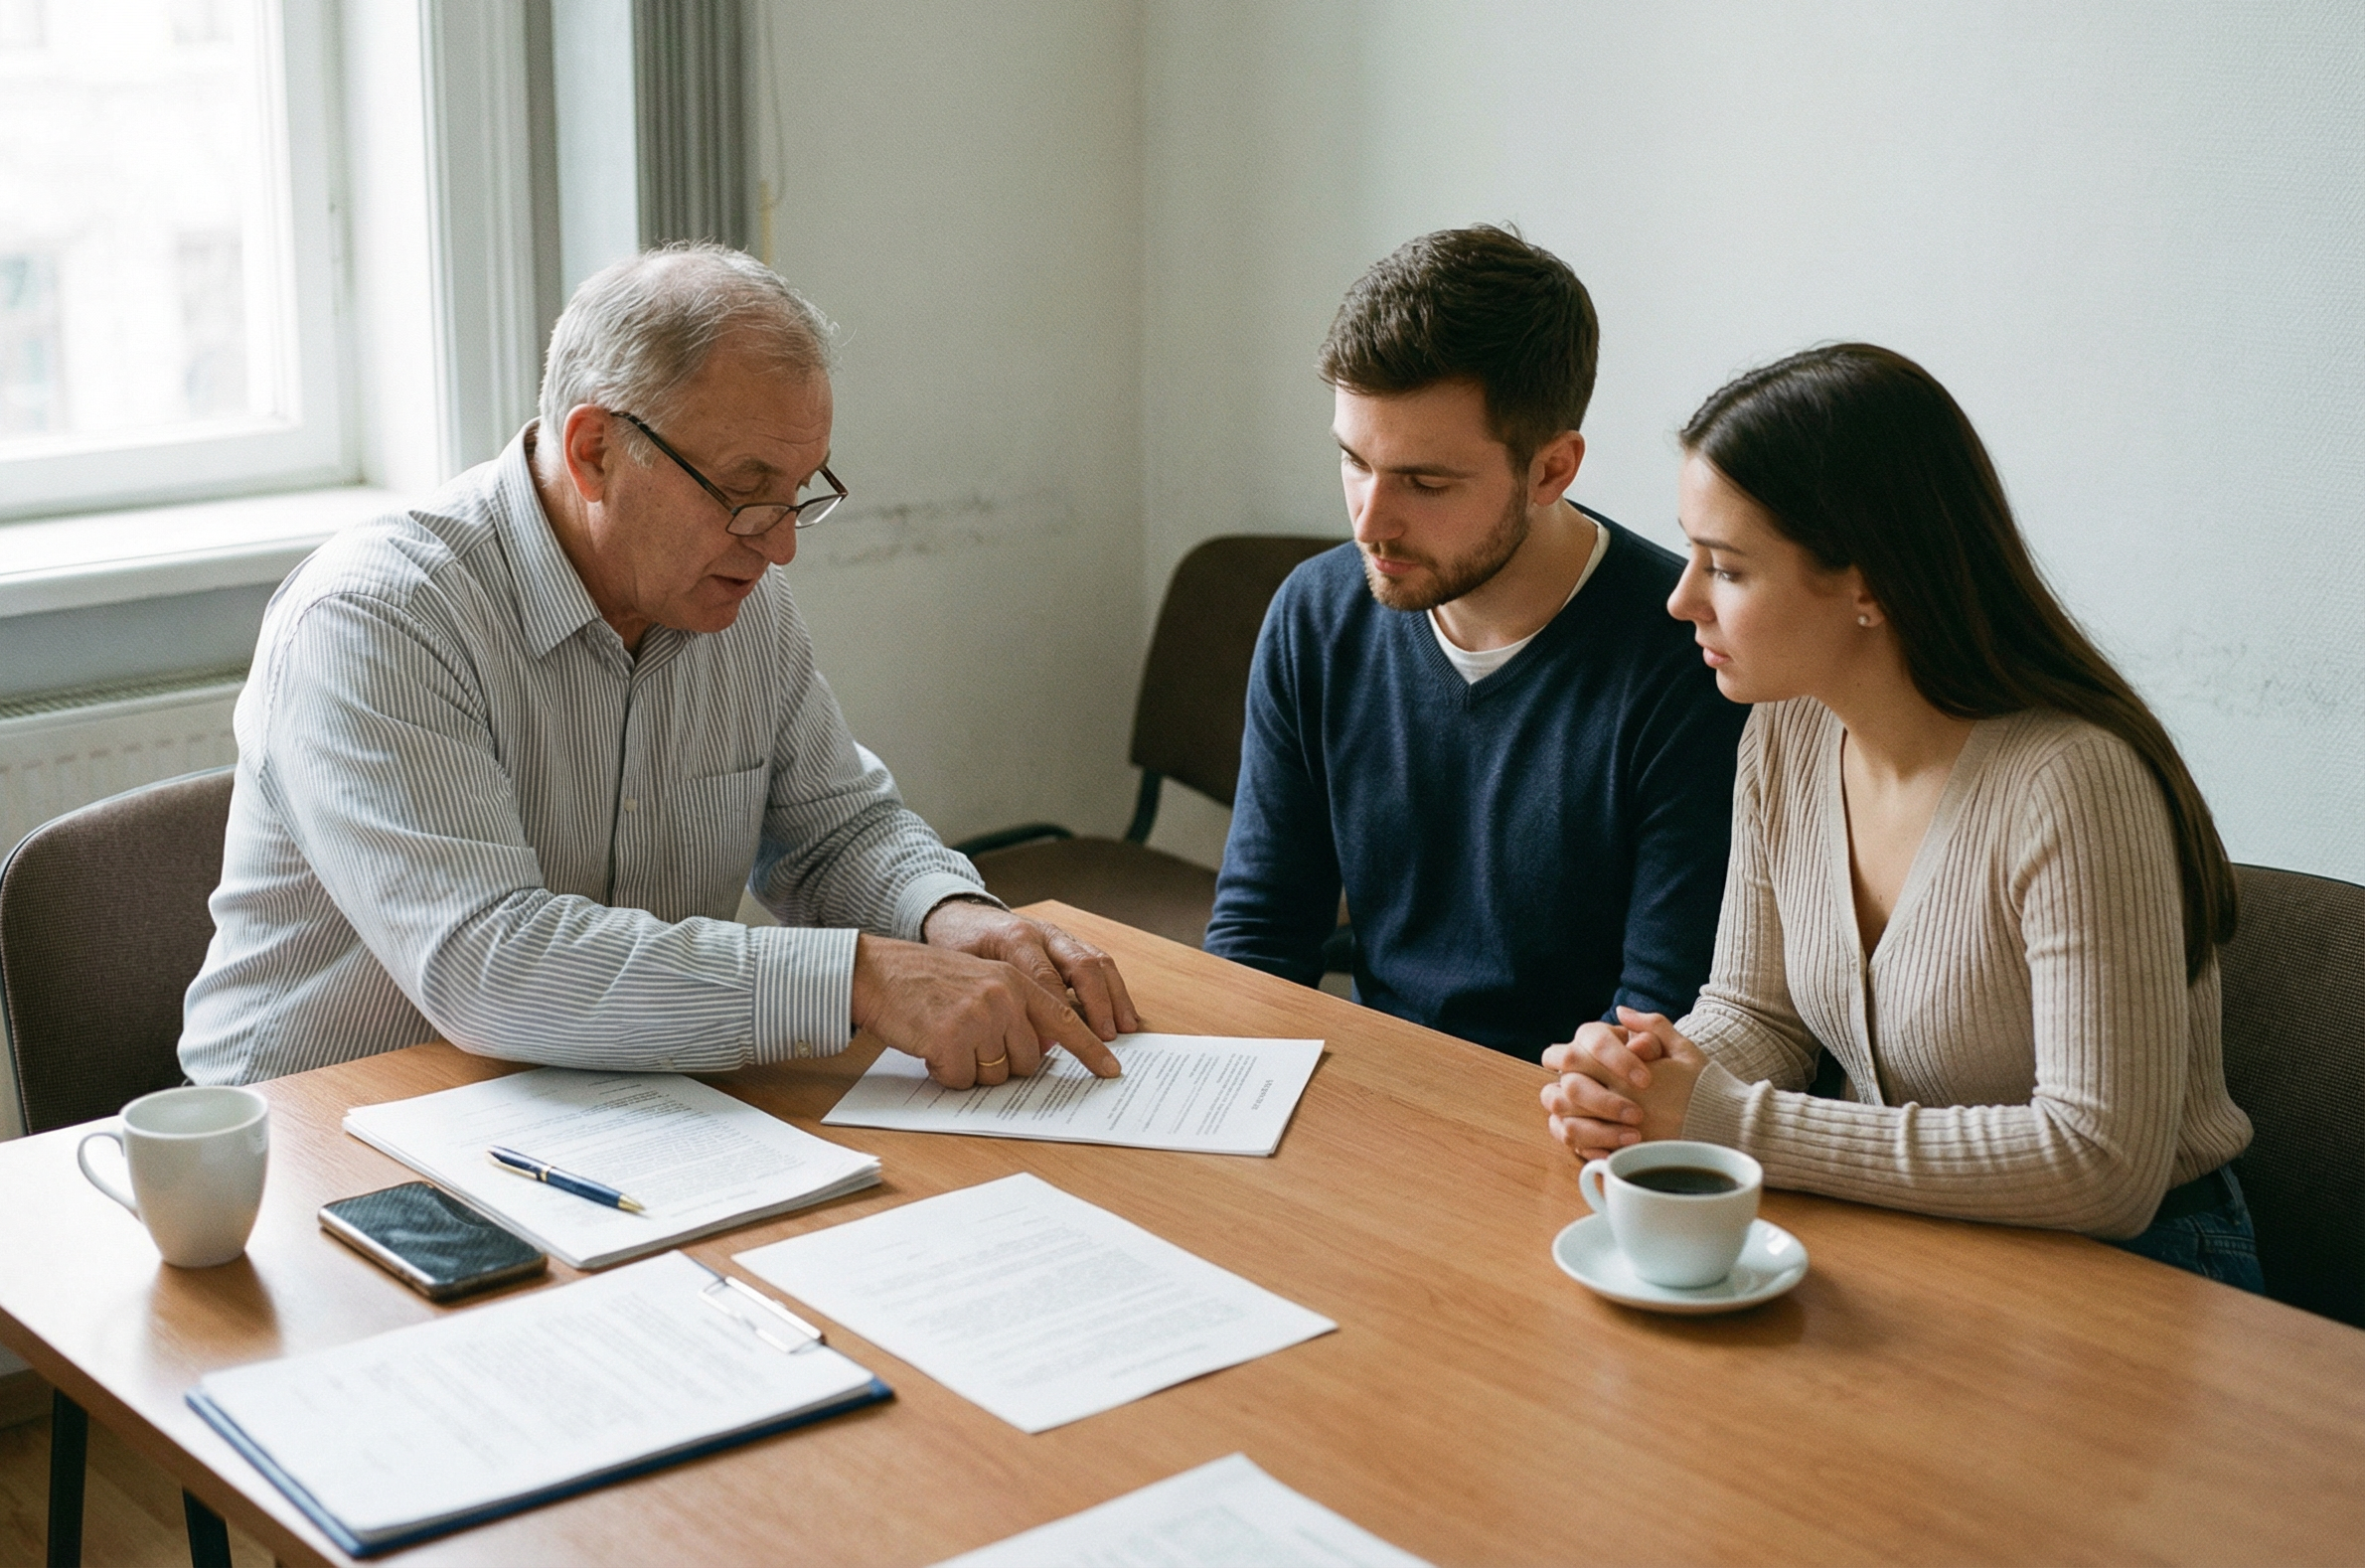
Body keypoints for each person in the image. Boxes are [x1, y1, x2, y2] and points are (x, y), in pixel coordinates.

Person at [181, 244, 1137, 1092]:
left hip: (603, 1108)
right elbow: (489, 965)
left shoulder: (733, 590)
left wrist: (946, 915)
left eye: (799, 493)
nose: (779, 548)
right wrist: (861, 977)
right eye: (743, 490)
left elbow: (832, 832)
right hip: (318, 1136)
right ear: (595, 451)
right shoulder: (378, 616)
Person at [1539, 344, 2261, 1288]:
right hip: (1928, 1234)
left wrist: (1721, 1118)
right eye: (1691, 555)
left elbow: (2103, 1167)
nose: (1681, 601)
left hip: (2146, 1266)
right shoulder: (1785, 732)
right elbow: (1759, 1012)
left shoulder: (2073, 782)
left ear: (1868, 582)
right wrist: (1643, 1075)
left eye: (1726, 568)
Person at [1205, 227, 1748, 1062]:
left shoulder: (1690, 656)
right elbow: (1262, 932)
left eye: (1425, 483)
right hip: (1377, 1086)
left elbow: (1657, 1022)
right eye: (1354, 461)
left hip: (1569, 1121)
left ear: (1551, 471)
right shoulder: (1315, 614)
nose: (1369, 521)